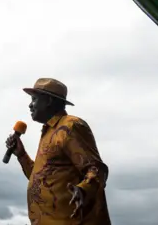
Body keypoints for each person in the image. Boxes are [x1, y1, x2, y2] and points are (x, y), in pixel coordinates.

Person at [6, 78, 111, 225]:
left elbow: (96, 169)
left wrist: (83, 190)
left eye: (34, 99)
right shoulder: (48, 132)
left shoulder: (71, 126)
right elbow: (43, 180)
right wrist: (22, 155)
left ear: (48, 100)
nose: (30, 105)